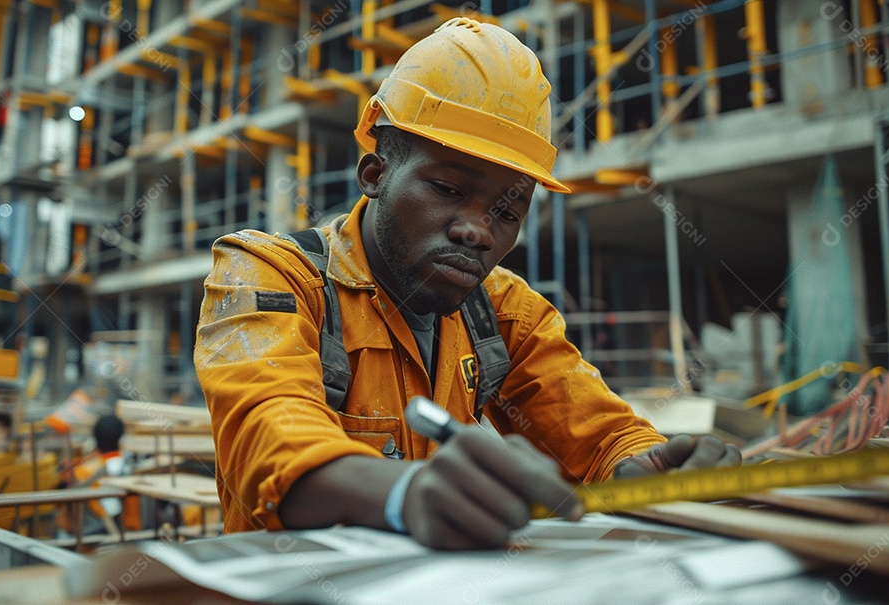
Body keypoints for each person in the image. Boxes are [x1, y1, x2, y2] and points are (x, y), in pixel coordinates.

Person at [194, 17, 739, 550]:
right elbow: (269, 439)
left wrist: (648, 467)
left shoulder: (504, 312)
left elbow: (599, 436)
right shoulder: (271, 275)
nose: (477, 230)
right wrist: (403, 494)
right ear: (376, 174)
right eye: (448, 189)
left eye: (507, 210)